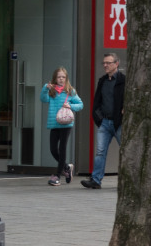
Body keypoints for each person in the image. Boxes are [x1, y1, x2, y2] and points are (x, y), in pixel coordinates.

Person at [82, 53, 125, 189]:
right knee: (100, 151)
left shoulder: (124, 81)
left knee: (126, 151)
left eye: (108, 63)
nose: (105, 65)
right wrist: (99, 118)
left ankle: (127, 181)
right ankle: (96, 180)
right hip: (105, 123)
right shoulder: (102, 81)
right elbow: (97, 102)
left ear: (116, 64)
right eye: (104, 63)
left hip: (120, 123)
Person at [40, 67, 82, 186]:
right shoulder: (52, 91)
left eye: (63, 77)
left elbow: (80, 104)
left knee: (62, 148)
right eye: (59, 77)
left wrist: (70, 106)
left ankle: (58, 176)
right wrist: (45, 89)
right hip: (54, 123)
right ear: (55, 78)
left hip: (66, 123)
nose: (61, 79)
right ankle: (66, 167)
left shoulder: (70, 91)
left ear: (66, 78)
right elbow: (43, 99)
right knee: (53, 149)